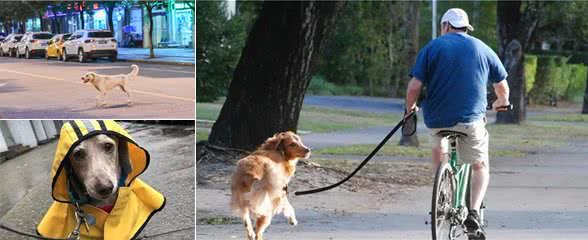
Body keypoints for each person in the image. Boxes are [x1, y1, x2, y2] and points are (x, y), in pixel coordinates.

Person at [404, 8, 510, 239]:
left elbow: (414, 87)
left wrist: (409, 109)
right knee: (480, 165)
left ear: (445, 26)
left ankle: (442, 184)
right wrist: (502, 103)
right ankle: (472, 212)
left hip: (437, 120)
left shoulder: (432, 47)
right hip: (470, 120)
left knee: (439, 145)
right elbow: (501, 86)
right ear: (465, 28)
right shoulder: (482, 47)